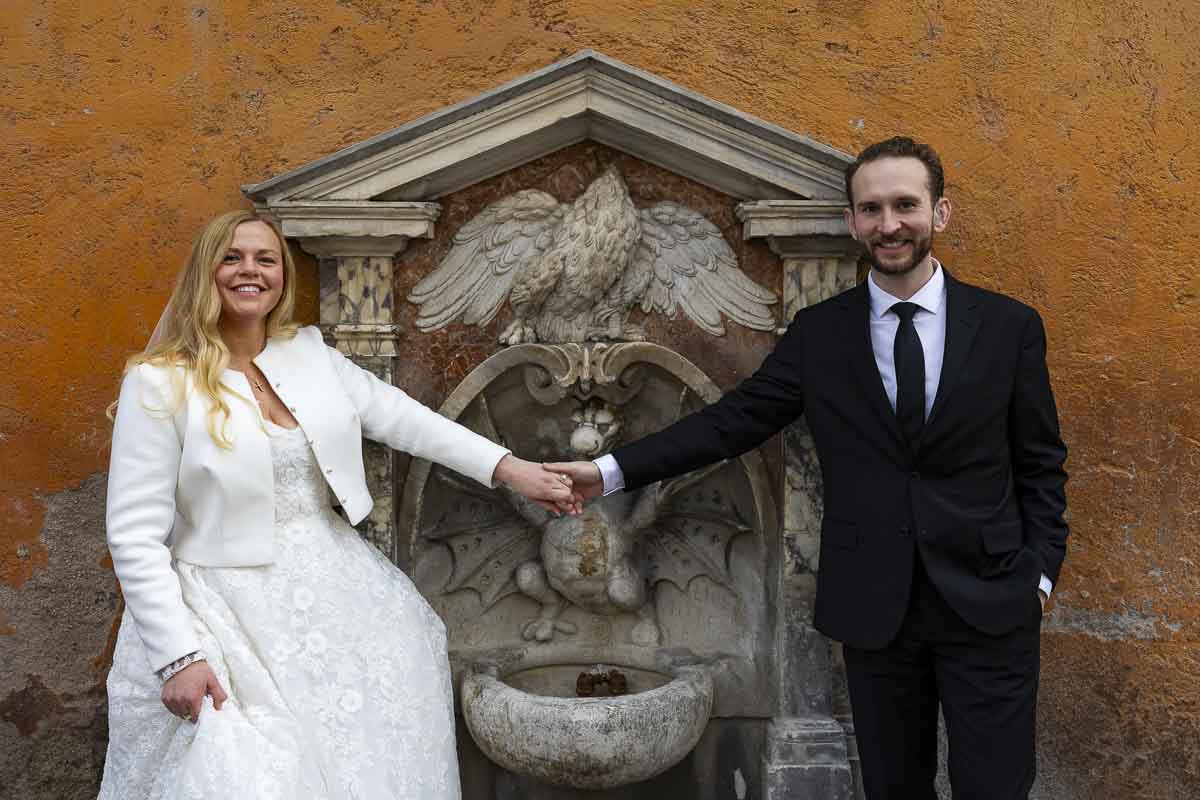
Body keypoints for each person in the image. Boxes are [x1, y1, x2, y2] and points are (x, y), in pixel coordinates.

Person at [548, 136, 1068, 799]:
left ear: (939, 213)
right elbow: (731, 422)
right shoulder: (821, 334)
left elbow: (1041, 464)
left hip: (991, 604)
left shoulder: (1008, 327)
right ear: (852, 221)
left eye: (905, 205)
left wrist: (1038, 579)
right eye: (871, 209)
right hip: (877, 611)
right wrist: (610, 471)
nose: (889, 224)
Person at [99, 210, 578, 799]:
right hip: (221, 610)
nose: (250, 270)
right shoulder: (159, 383)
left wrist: (511, 470)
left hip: (336, 595)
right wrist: (178, 657)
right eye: (232, 257)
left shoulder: (309, 354)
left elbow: (405, 419)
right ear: (206, 272)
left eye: (265, 259)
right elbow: (133, 534)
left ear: (281, 276)